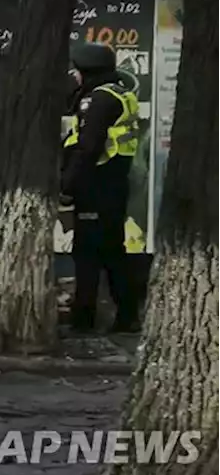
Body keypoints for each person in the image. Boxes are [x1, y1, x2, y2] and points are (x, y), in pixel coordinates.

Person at [61, 43, 141, 333]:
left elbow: (87, 148)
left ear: (89, 71)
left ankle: (83, 320)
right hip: (114, 182)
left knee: (87, 254)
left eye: (78, 71)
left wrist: (67, 185)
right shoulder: (120, 93)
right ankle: (127, 315)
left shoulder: (98, 100)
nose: (74, 75)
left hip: (96, 184)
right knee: (112, 251)